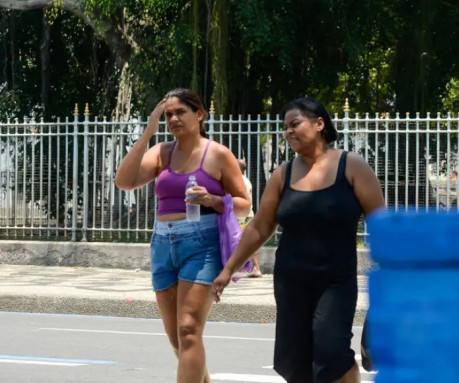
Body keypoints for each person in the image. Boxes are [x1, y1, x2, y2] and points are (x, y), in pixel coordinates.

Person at [212, 97, 385, 383]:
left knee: (333, 352)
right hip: (291, 281)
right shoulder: (283, 174)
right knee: (294, 360)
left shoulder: (351, 166)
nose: (288, 132)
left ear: (319, 124)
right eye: (285, 127)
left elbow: (380, 222)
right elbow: (259, 227)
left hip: (336, 280)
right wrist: (229, 269)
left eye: (295, 124)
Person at [115, 88, 249, 383]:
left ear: (199, 114)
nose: (173, 119)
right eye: (167, 115)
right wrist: (148, 132)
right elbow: (124, 181)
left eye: (180, 112)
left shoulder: (217, 154)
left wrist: (213, 201)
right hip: (162, 243)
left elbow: (244, 204)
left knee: (189, 329)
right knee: (177, 337)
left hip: (201, 244)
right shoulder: (161, 152)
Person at [238, 159, 262, 277]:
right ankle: (255, 267)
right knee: (250, 242)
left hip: (239, 216)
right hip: (248, 214)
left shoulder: (239, 181)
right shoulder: (246, 180)